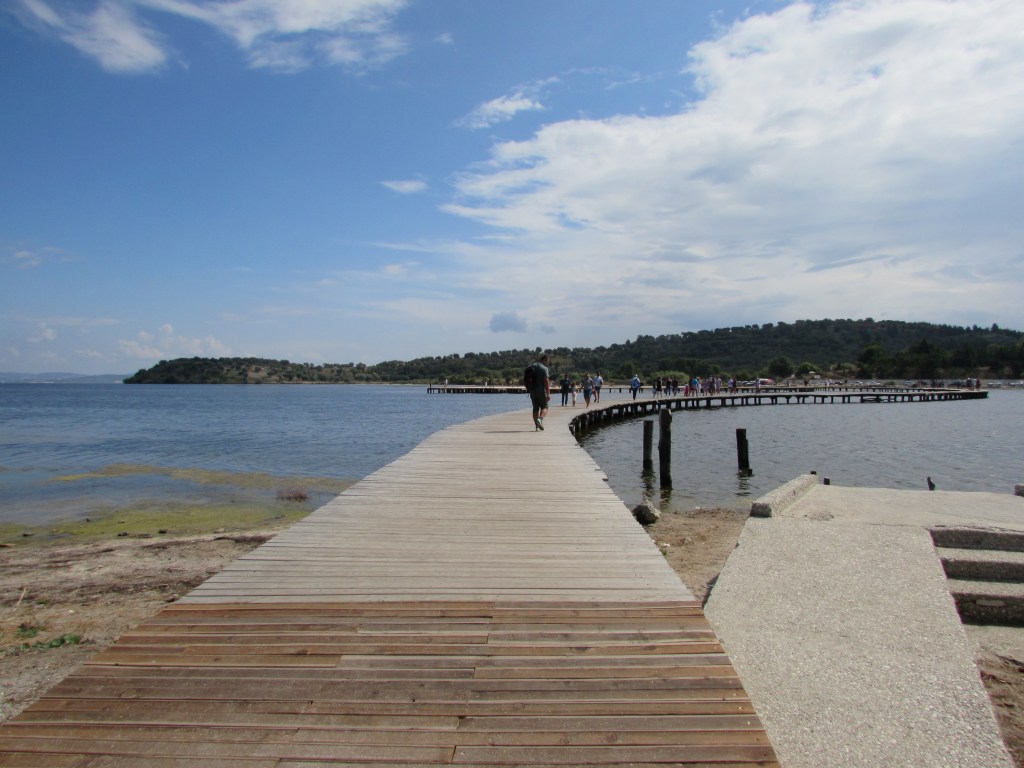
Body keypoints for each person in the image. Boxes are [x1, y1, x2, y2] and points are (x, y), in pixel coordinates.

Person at [529, 354, 551, 430]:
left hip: (532, 391)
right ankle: (540, 419)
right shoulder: (544, 368)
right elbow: (546, 382)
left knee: (535, 408)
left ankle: (537, 426)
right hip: (541, 391)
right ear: (545, 359)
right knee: (545, 407)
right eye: (547, 361)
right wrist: (548, 394)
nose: (547, 363)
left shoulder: (532, 366)